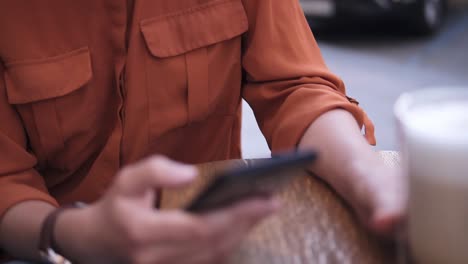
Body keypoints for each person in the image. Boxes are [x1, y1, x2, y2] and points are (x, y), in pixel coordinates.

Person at [0, 0, 405, 263]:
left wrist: (368, 176)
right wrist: (72, 235)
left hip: (214, 243)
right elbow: (6, 182)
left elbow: (296, 89)